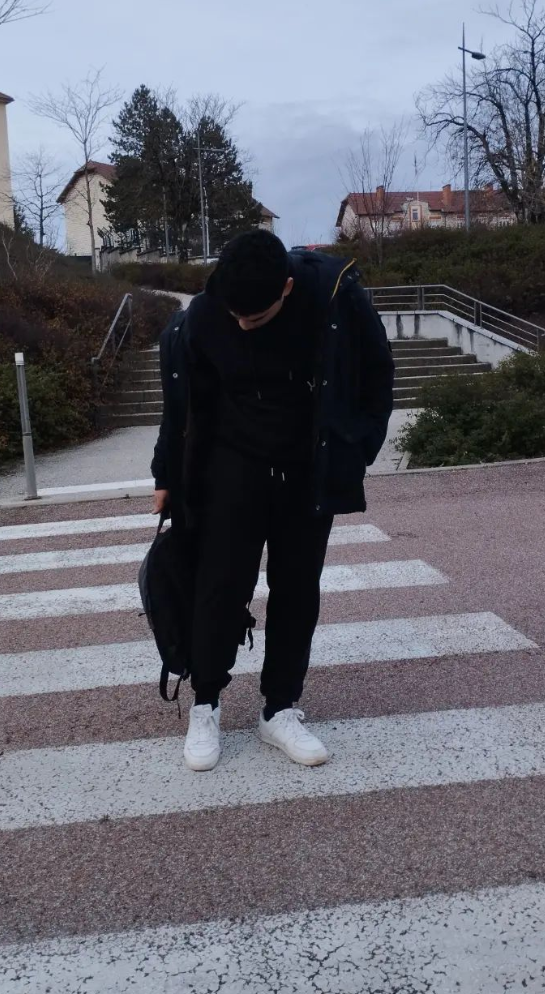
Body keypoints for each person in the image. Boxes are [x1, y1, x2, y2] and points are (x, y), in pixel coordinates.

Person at [151, 229, 394, 771]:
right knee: (219, 586)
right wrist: (166, 473)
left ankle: (279, 708)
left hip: (309, 466)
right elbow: (181, 402)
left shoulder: (335, 297)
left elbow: (378, 373)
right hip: (230, 465)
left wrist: (358, 449)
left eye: (255, 317)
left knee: (297, 589)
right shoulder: (206, 313)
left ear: (286, 287)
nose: (242, 325)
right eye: (235, 315)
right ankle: (205, 704)